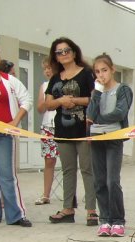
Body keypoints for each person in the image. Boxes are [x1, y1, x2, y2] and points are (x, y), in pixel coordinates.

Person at [45, 37, 98, 226]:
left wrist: (74, 101)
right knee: (68, 170)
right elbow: (47, 104)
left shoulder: (87, 74)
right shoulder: (54, 78)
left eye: (67, 50)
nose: (64, 54)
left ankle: (91, 210)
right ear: (56, 57)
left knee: (87, 169)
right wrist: (60, 102)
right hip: (62, 130)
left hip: (83, 129)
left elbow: (95, 99)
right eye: (59, 52)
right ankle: (68, 209)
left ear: (74, 52)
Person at [86, 53, 133, 237]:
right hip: (96, 139)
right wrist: (96, 94)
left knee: (112, 181)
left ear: (112, 69)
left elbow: (119, 113)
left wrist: (99, 119)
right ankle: (105, 219)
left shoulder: (123, 89)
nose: (101, 75)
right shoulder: (97, 91)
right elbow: (90, 116)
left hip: (113, 138)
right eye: (97, 72)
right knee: (99, 181)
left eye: (104, 70)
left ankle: (118, 220)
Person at [0, 43, 32, 227]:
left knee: (7, 175)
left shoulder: (9, 81)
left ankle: (15, 215)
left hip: (3, 135)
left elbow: (26, 100)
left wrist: (15, 121)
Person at [35, 56, 59, 205]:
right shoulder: (44, 86)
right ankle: (46, 194)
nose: (47, 71)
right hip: (48, 126)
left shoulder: (64, 83)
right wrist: (46, 102)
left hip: (64, 126)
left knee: (70, 162)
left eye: (49, 68)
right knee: (49, 161)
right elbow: (39, 108)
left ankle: (71, 196)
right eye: (45, 69)